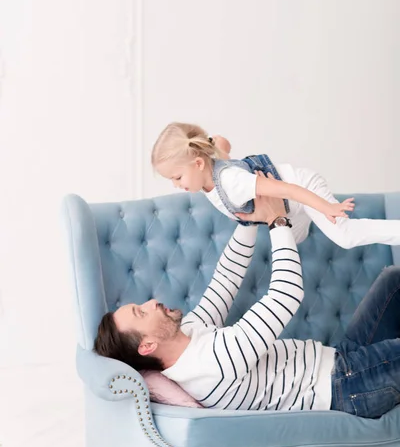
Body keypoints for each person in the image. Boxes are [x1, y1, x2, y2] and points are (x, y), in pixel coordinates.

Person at [95, 174, 400, 418]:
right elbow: (285, 295)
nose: (152, 303)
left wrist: (248, 221)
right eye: (142, 313)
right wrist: (277, 221)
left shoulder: (187, 334)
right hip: (349, 385)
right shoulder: (210, 364)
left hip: (342, 357)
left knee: (393, 279)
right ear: (148, 346)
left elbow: (225, 279)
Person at [151, 122, 400, 248]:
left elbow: (287, 189)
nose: (175, 185)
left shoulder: (230, 181)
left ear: (197, 164)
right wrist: (220, 146)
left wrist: (327, 207)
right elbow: (223, 147)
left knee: (345, 236)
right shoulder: (212, 172)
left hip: (302, 189)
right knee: (295, 238)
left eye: (177, 177)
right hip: (291, 211)